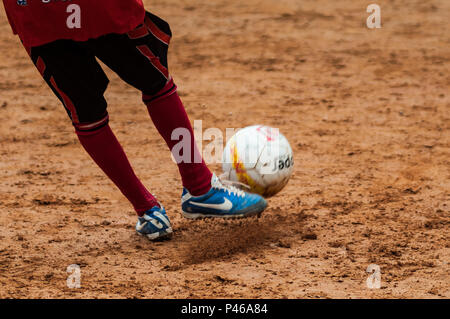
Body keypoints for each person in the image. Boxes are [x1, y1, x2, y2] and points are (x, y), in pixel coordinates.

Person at [1, 0, 267, 240]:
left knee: (86, 112)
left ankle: (149, 211)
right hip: (97, 7)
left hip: (36, 12)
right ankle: (199, 190)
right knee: (153, 82)